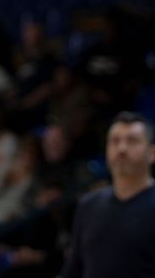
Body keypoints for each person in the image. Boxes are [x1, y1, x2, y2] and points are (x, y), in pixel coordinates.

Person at [63, 112, 155, 277]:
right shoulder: (88, 205)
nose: (122, 148)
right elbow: (73, 271)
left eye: (132, 141)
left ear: (152, 153)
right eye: (115, 141)